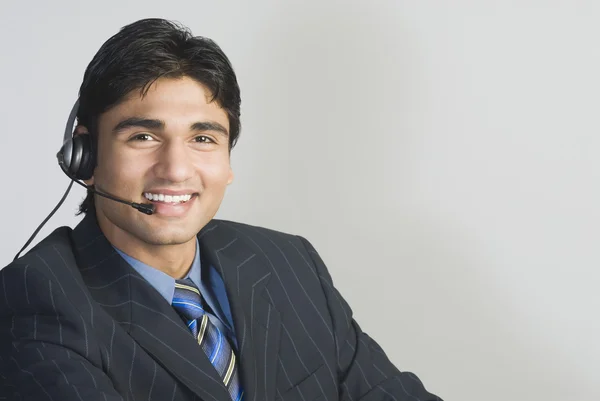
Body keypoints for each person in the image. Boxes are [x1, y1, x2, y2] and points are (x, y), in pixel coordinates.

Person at [0, 18, 442, 401]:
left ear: (228, 160)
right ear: (86, 155)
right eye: (143, 137)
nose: (175, 170)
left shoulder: (289, 262)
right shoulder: (34, 300)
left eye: (203, 138)